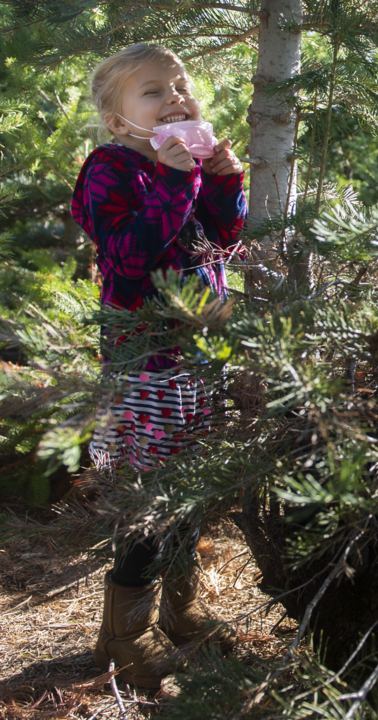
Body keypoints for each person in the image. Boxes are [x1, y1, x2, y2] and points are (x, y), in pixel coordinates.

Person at [70, 42, 246, 689]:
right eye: (153, 91)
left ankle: (180, 610)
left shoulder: (189, 165)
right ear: (118, 121)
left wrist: (221, 181)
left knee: (192, 489)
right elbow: (126, 258)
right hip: (146, 366)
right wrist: (175, 182)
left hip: (199, 361)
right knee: (151, 496)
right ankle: (123, 636)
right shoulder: (110, 169)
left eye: (180, 86)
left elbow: (223, 242)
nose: (174, 97)